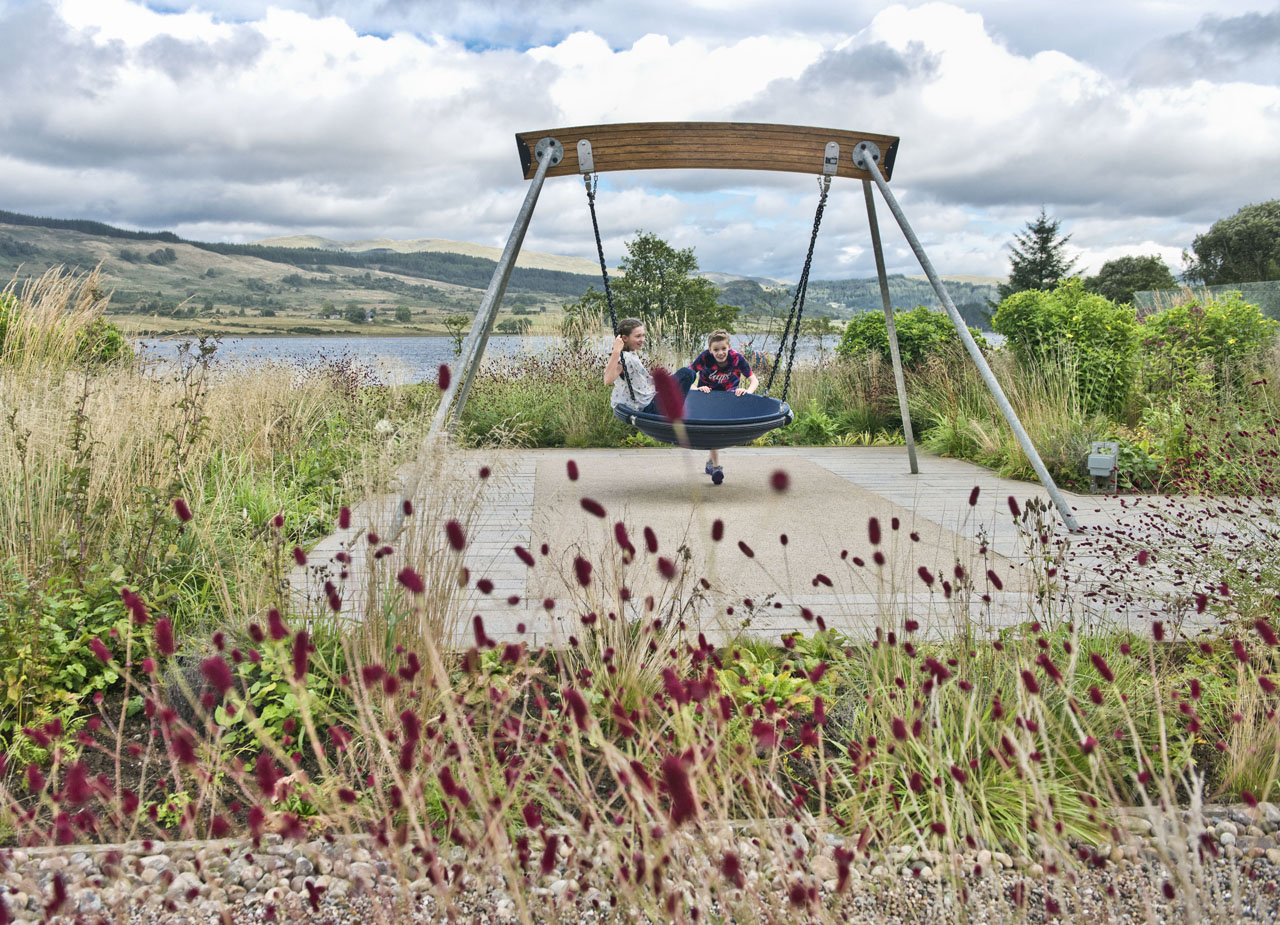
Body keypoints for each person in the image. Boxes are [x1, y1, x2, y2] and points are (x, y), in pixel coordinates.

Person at [690, 329, 759, 484]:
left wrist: (746, 392)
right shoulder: (705, 358)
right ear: (710, 349)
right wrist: (697, 388)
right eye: (716, 350)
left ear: (729, 346)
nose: (720, 353)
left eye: (723, 349)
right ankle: (716, 468)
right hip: (708, 398)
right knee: (714, 430)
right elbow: (686, 377)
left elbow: (754, 381)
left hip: (729, 399)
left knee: (719, 431)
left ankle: (710, 463)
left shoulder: (736, 359)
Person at [605, 317, 695, 416]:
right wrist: (616, 351)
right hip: (648, 407)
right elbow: (608, 380)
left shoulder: (631, 354)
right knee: (687, 373)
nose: (642, 339)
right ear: (625, 338)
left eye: (643, 335)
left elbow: (644, 383)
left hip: (649, 400)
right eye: (638, 336)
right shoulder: (623, 358)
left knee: (688, 376)